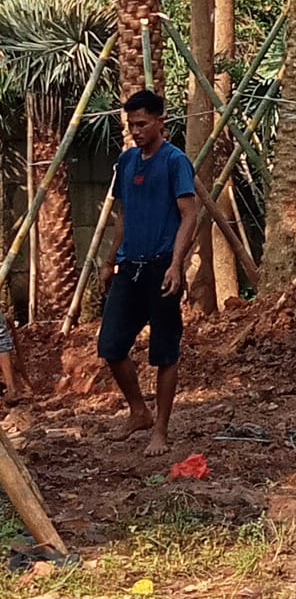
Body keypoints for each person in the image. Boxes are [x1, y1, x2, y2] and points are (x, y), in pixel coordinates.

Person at [97, 90, 197, 456]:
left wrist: (176, 264)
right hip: (130, 268)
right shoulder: (126, 163)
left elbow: (189, 214)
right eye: (130, 125)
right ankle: (138, 410)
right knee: (110, 346)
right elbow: (122, 215)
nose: (136, 131)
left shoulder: (176, 162)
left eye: (141, 124)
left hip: (161, 268)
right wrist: (110, 261)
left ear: (160, 123)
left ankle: (161, 430)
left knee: (164, 351)